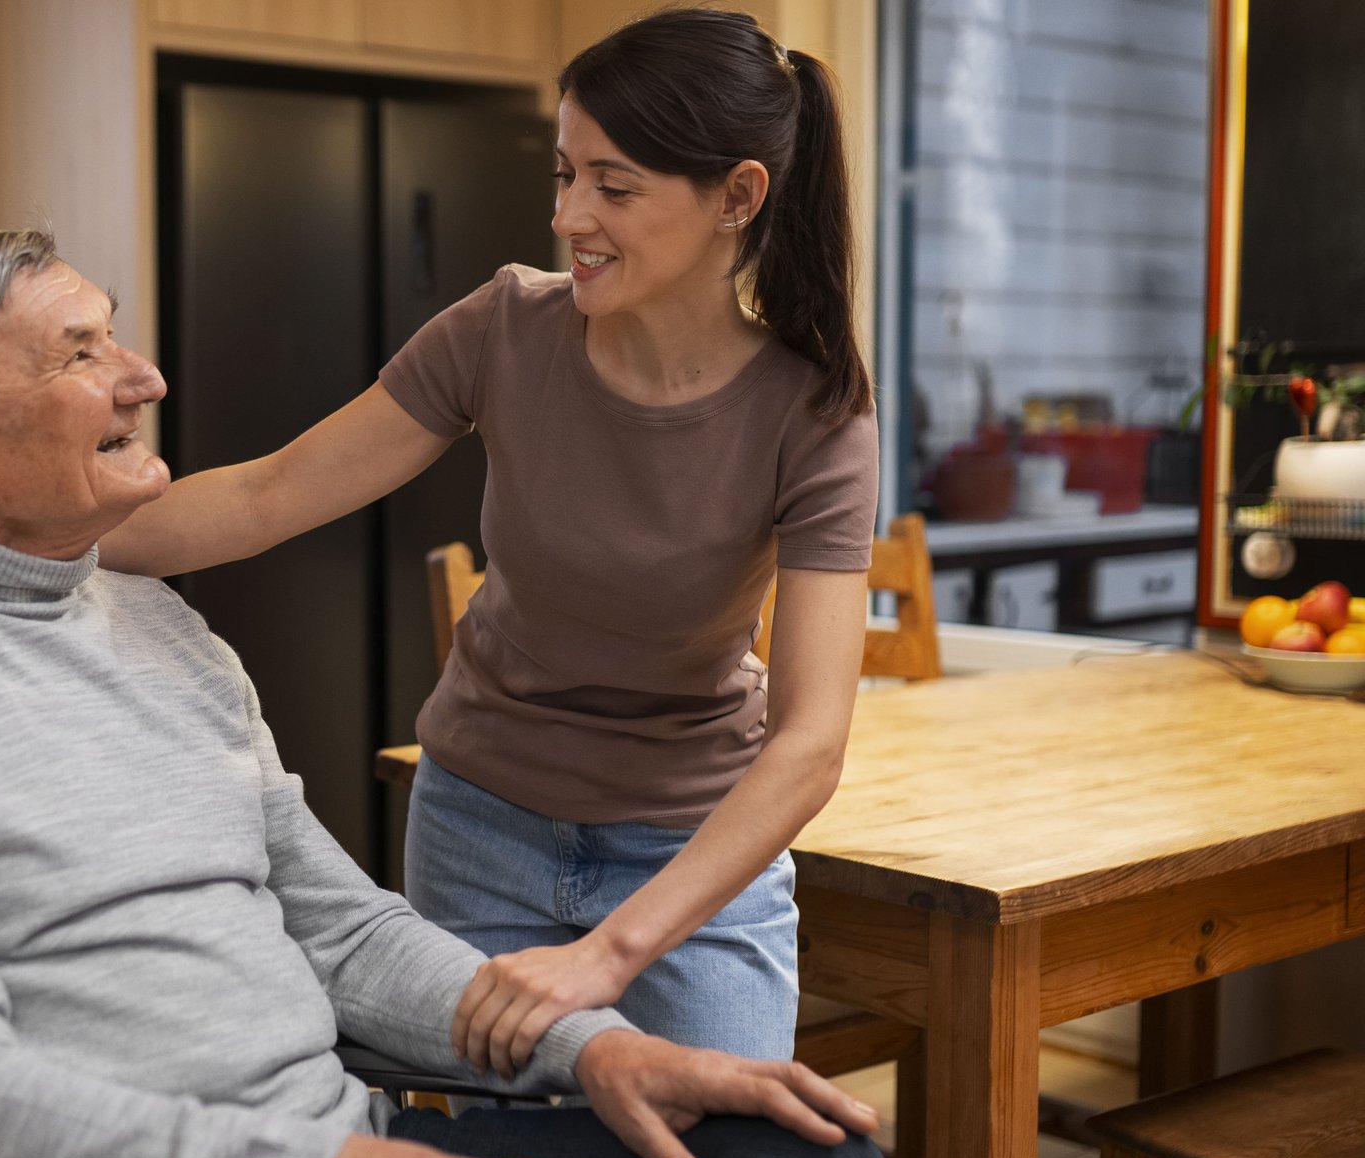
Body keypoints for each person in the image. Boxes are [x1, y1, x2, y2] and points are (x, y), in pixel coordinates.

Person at [0, 228, 919, 1158]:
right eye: (81, 353)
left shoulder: (160, 627)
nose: (143, 376)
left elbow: (342, 936)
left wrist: (595, 1050)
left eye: (115, 332)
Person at [97, 7, 877, 1081]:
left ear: (736, 197)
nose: (568, 216)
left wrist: (611, 951)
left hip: (693, 855)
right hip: (481, 828)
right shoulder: (503, 328)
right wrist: (20, 533)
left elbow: (808, 744)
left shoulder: (814, 411)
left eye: (612, 185)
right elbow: (267, 495)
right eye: (563, 175)